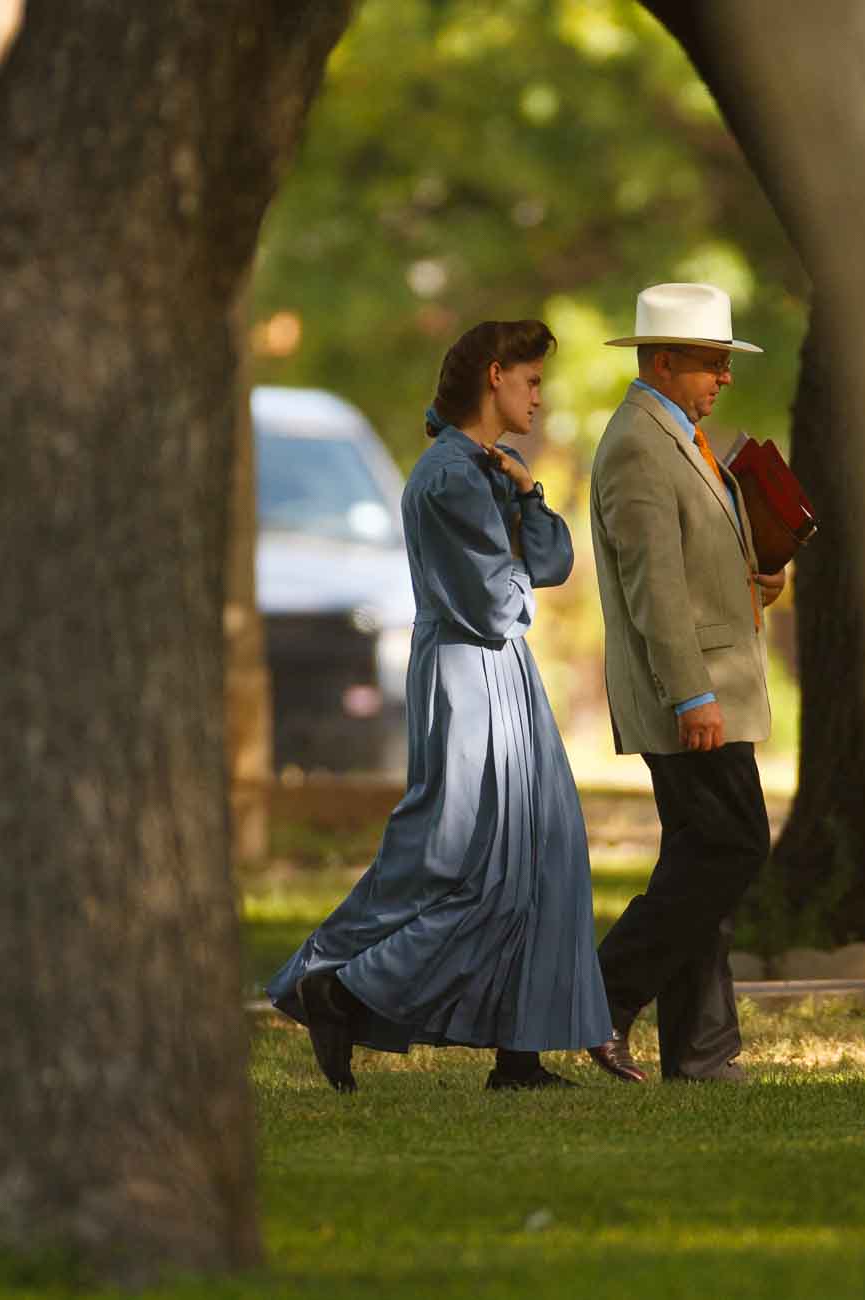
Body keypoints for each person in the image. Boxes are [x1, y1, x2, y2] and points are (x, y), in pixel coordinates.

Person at [265, 319, 612, 1092]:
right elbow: (494, 606)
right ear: (494, 376)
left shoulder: (490, 471)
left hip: (501, 676)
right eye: (530, 381)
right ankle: (335, 986)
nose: (538, 396)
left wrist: (530, 493)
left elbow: (550, 563)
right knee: (449, 857)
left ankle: (518, 1055)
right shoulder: (451, 477)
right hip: (468, 675)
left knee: (537, 851)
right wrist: (518, 575)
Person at [585, 283, 787, 1084]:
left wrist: (750, 579)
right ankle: (602, 995)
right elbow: (652, 587)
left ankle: (702, 1052)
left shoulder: (678, 436)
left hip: (710, 685)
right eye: (711, 363)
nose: (724, 378)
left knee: (703, 854)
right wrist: (691, 694)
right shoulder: (638, 444)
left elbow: (688, 564)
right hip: (690, 695)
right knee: (732, 846)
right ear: (662, 362)